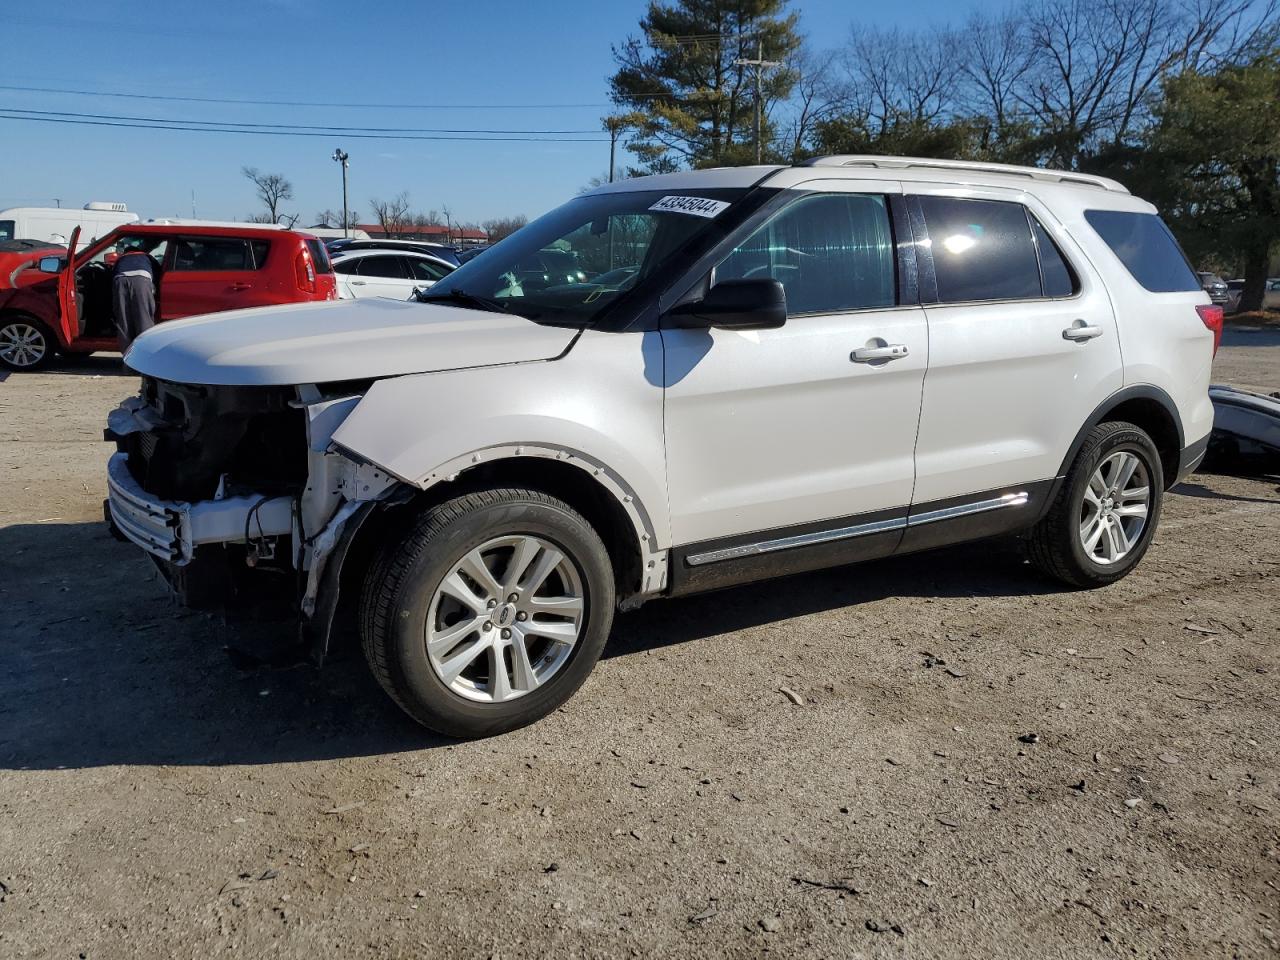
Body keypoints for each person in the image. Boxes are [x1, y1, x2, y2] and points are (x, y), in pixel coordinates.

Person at [112, 239, 158, 352]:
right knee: (144, 318)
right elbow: (158, 273)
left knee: (124, 320)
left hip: (120, 281)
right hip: (141, 281)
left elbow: (112, 275)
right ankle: (146, 353)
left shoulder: (121, 259)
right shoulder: (147, 257)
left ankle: (127, 355)